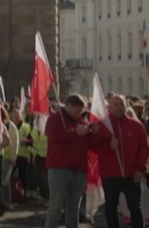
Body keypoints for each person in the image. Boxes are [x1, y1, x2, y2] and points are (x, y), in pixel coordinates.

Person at [44, 94, 112, 228]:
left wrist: (96, 133)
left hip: (79, 171)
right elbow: (53, 136)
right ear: (68, 106)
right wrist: (74, 132)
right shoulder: (55, 118)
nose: (79, 112)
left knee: (74, 207)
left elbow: (91, 145)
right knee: (55, 206)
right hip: (59, 169)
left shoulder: (82, 122)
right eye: (76, 108)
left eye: (81, 109)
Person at [96, 94, 149, 228]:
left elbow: (143, 149)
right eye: (116, 104)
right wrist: (108, 145)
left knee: (135, 208)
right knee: (111, 208)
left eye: (122, 104)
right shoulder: (102, 125)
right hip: (110, 175)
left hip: (132, 175)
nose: (119, 107)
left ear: (126, 105)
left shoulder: (136, 126)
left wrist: (140, 169)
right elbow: (92, 145)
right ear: (109, 107)